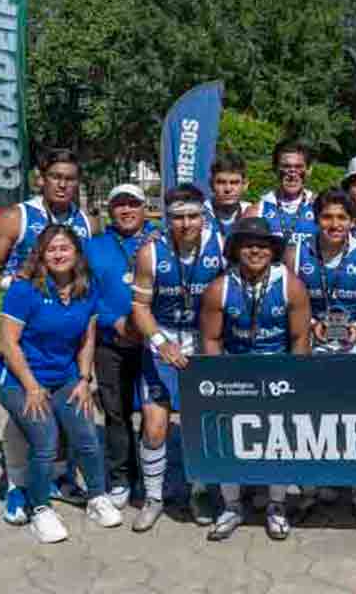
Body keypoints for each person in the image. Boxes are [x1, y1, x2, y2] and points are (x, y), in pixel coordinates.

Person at [0, 148, 96, 523]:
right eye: (56, 176)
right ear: (41, 179)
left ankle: (58, 477)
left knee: (61, 408)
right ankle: (17, 485)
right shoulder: (17, 217)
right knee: (26, 410)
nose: (63, 184)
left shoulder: (85, 220)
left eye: (70, 178)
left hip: (67, 329)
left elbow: (85, 271)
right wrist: (16, 286)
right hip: (27, 330)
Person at [0, 225, 122, 543]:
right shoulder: (25, 290)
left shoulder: (86, 289)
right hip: (18, 378)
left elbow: (87, 339)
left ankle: (96, 497)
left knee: (86, 434)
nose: (59, 254)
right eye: (51, 249)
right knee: (46, 440)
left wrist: (83, 379)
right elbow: (8, 343)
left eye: (65, 248)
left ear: (76, 253)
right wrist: (33, 387)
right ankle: (40, 510)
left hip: (64, 375)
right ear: (41, 255)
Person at [200, 217, 312, 541]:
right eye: (248, 244)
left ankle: (277, 505)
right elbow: (210, 339)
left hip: (277, 369)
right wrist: (219, 379)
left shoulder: (290, 284)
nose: (255, 250)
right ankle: (231, 506)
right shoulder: (218, 288)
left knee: (278, 438)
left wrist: (295, 378)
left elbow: (300, 337)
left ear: (272, 251)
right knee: (228, 437)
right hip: (235, 370)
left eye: (262, 245)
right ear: (235, 249)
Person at [129, 184, 226, 532]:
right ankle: (154, 498)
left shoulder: (221, 245)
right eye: (178, 217)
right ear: (167, 219)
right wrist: (159, 342)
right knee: (155, 428)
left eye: (192, 216)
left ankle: (199, 491)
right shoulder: (150, 253)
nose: (186, 223)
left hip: (204, 341)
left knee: (198, 424)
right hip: (164, 339)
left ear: (204, 216)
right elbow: (139, 308)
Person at [84, 184, 158, 509]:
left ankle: (154, 480)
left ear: (145, 208)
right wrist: (112, 320)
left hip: (151, 341)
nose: (126, 210)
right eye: (119, 205)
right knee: (117, 413)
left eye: (133, 204)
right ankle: (122, 479)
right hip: (110, 341)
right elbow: (85, 292)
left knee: (156, 413)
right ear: (110, 210)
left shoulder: (160, 241)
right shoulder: (93, 246)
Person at [285, 188, 356, 354]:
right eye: (327, 217)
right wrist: (312, 324)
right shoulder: (294, 255)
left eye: (342, 218)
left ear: (353, 221)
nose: (335, 225)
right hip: (310, 342)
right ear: (317, 220)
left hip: (354, 344)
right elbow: (288, 307)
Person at [246, 139, 317, 247]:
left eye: (298, 167)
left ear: (309, 170)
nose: (292, 173)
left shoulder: (319, 206)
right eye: (286, 166)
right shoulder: (257, 211)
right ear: (275, 169)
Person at [204, 152, 253, 238]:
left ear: (245, 185)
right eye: (221, 182)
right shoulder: (201, 213)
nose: (228, 189)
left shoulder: (252, 213)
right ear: (211, 185)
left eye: (234, 183)